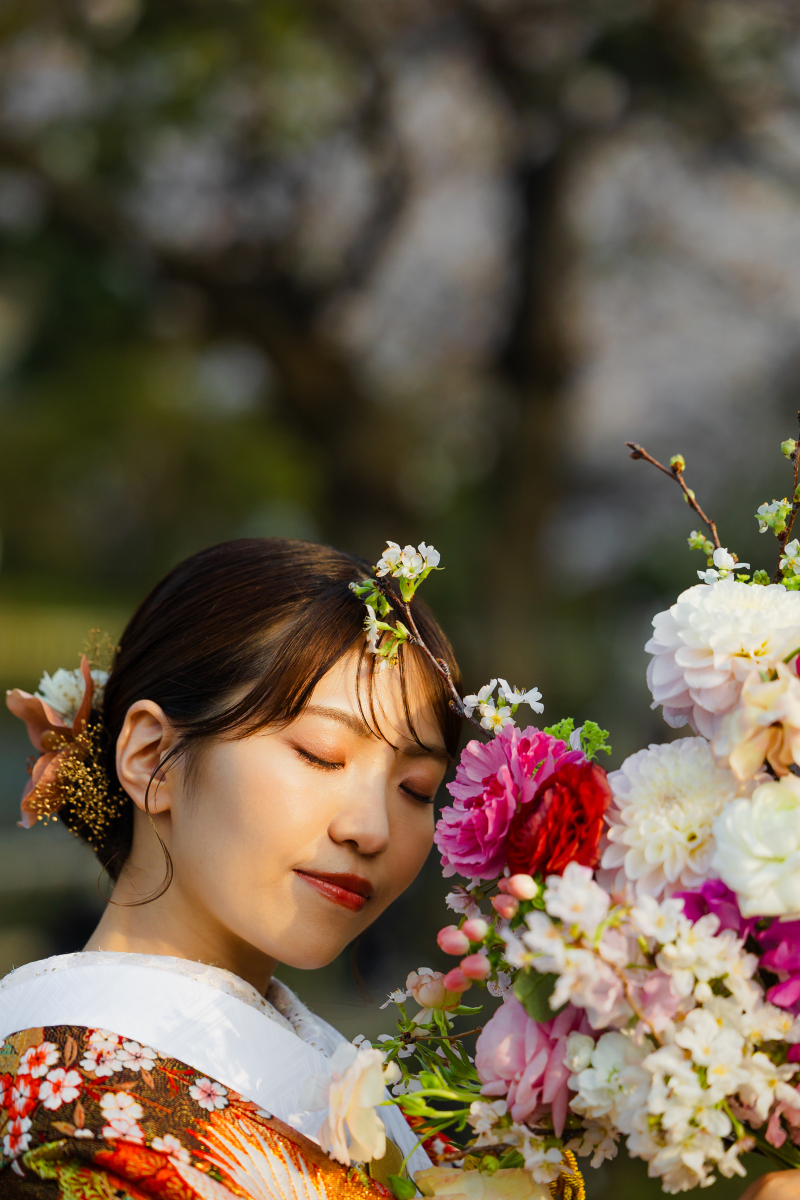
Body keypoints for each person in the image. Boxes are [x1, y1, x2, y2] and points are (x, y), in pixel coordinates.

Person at [0, 539, 461, 1200]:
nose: (371, 828)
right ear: (151, 756)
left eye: (415, 789)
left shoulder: (368, 1094)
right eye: (320, 754)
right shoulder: (71, 1125)